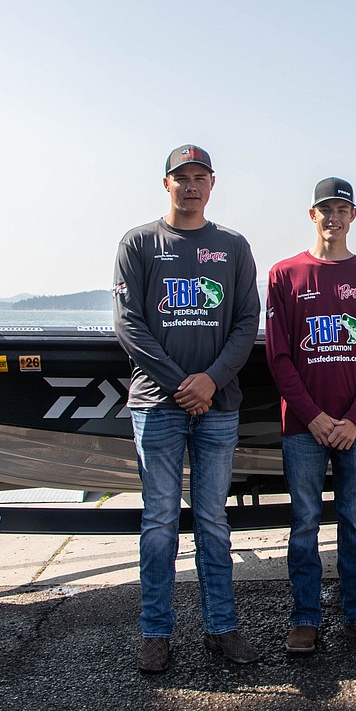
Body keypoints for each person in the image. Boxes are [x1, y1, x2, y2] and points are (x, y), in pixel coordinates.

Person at [113, 144, 260, 674]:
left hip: (219, 405)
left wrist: (212, 380)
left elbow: (247, 322)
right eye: (182, 177)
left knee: (214, 522)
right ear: (167, 184)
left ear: (212, 185)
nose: (191, 186)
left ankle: (222, 628)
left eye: (200, 177)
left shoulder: (233, 246)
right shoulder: (140, 242)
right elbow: (129, 324)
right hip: (156, 405)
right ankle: (156, 632)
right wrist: (182, 385)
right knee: (158, 523)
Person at [265, 176, 356, 654]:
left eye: (342, 209)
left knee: (354, 521)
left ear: (353, 216)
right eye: (325, 209)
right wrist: (315, 417)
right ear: (312, 214)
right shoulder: (285, 275)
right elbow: (279, 358)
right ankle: (304, 618)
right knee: (303, 524)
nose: (333, 217)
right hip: (303, 427)